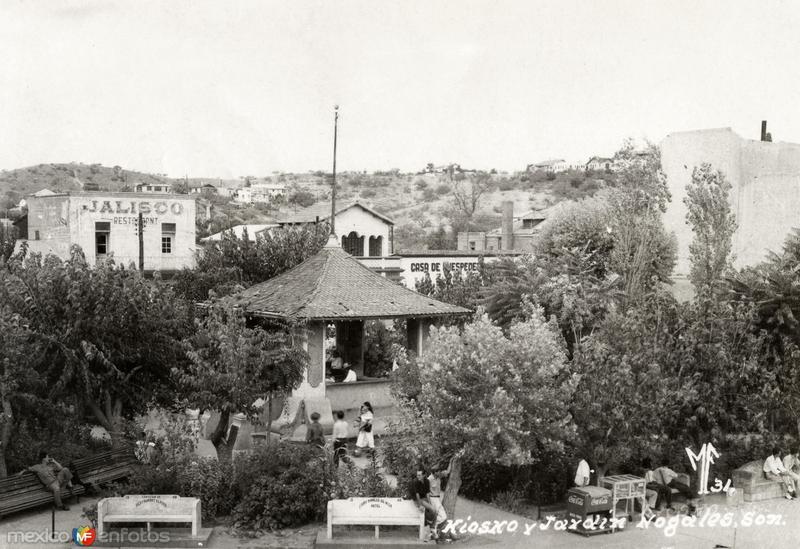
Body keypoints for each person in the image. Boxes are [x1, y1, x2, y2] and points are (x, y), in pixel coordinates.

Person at [410, 468, 438, 540]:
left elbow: (427, 493)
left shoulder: (427, 481)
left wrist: (429, 503)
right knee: (430, 510)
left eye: (419, 475)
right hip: (417, 499)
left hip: (423, 498)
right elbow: (417, 495)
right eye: (417, 475)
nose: (418, 476)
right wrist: (420, 505)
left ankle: (431, 529)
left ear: (424, 475)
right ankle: (428, 530)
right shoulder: (415, 482)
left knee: (435, 511)